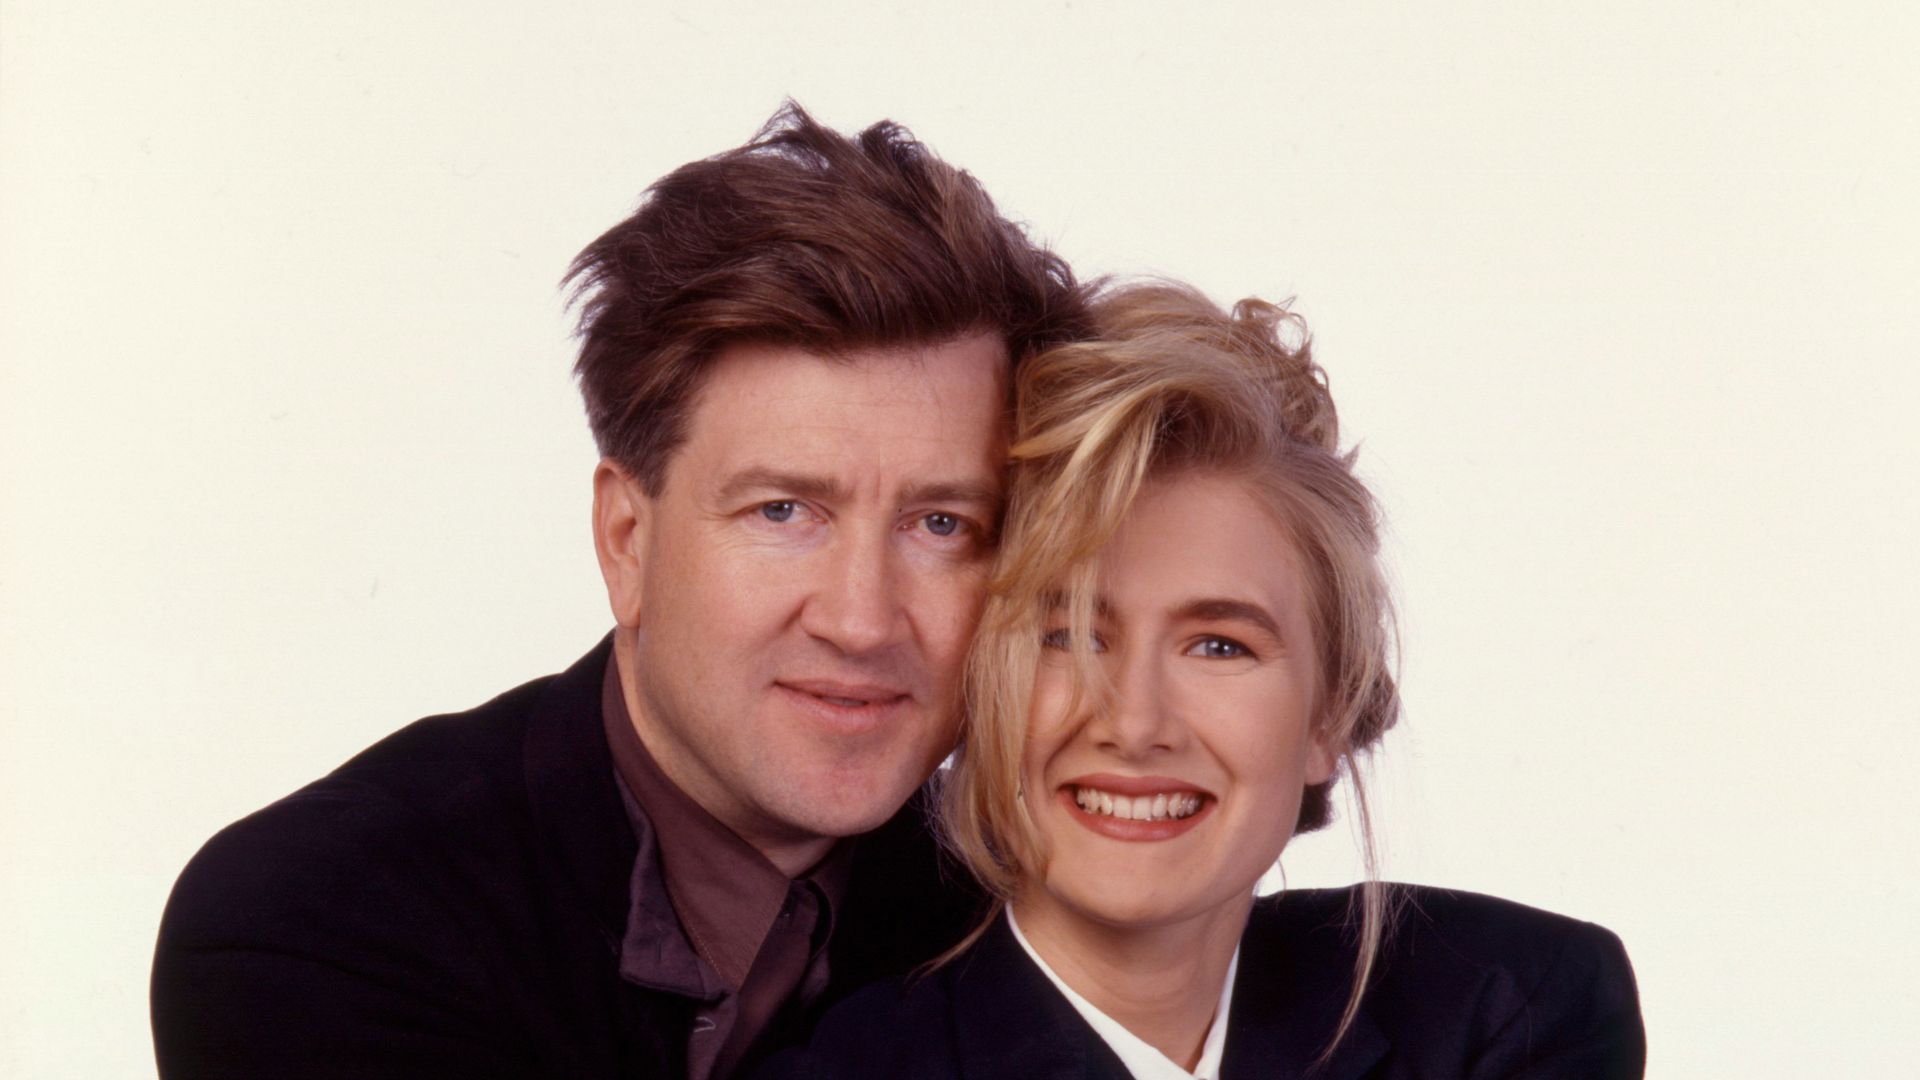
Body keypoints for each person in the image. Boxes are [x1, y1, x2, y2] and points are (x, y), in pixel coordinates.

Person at [149, 105, 1089, 1079]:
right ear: (626, 540)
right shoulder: (314, 918)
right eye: (782, 512)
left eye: (942, 526)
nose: (859, 619)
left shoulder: (1032, 915)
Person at [763, 282, 1646, 1079]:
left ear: (1328, 714)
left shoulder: (1511, 1010)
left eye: (1219, 646)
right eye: (1069, 634)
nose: (1136, 722)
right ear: (977, 683)